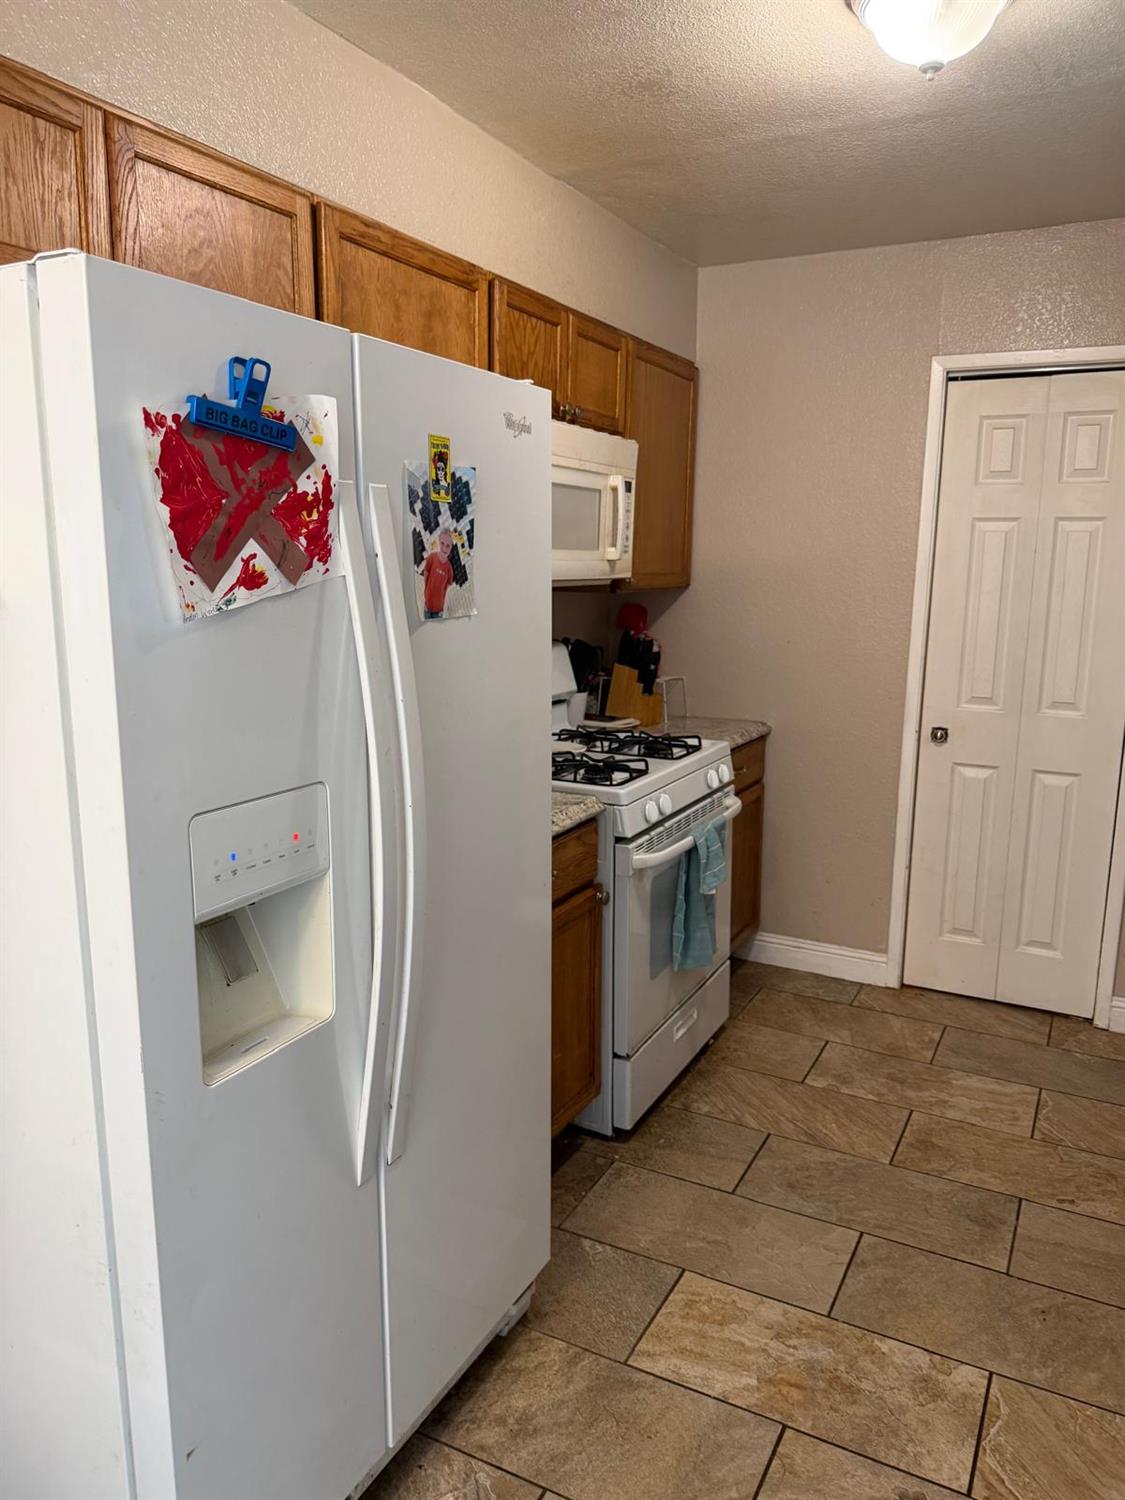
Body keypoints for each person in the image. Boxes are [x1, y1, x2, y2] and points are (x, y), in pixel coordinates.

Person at [422, 528, 455, 619]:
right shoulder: (431, 558)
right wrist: (426, 594)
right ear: (438, 542)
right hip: (427, 604)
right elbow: (425, 577)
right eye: (442, 543)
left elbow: (446, 588)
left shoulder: (449, 569)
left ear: (451, 547)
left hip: (439, 609)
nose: (444, 548)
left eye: (448, 546)